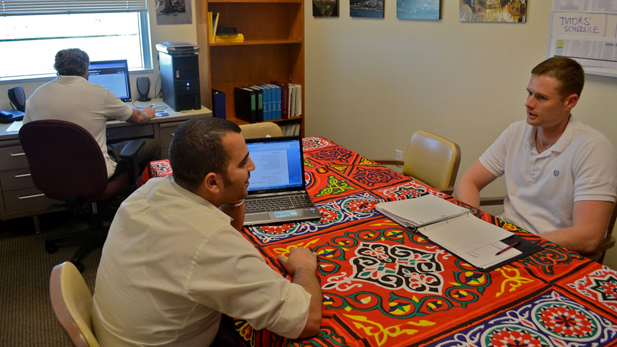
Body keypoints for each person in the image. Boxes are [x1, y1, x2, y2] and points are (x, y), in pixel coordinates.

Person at [92, 118, 322, 346]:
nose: (253, 166)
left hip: (119, 334)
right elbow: (307, 320)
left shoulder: (151, 189)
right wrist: (304, 267)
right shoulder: (211, 243)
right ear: (212, 182)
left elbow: (230, 228)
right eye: (243, 164)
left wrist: (232, 196)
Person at [455, 56, 617, 256]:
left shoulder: (594, 149)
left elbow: (588, 237)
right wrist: (471, 221)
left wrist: (521, 243)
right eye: (529, 93)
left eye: (541, 97)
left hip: (552, 252)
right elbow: (469, 181)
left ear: (570, 102)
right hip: (507, 239)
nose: (528, 103)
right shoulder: (516, 131)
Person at [24, 48, 159, 179]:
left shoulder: (35, 96)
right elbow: (138, 118)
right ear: (86, 70)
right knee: (153, 145)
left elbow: (27, 136)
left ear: (57, 70)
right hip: (94, 173)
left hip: (54, 175)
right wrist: (146, 113)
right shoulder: (98, 93)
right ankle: (136, 197)